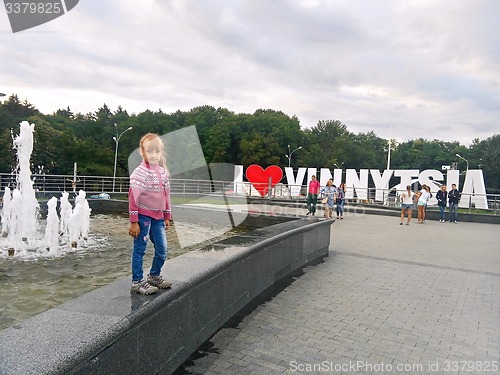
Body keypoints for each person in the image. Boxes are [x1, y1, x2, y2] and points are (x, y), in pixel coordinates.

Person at [129, 133, 173, 295]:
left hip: (158, 218)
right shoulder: (139, 173)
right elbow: (133, 198)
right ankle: (137, 281)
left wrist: (167, 216)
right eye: (150, 151)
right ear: (142, 152)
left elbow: (166, 196)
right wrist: (134, 221)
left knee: (163, 249)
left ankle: (154, 275)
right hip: (143, 217)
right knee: (140, 248)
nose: (154, 155)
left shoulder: (163, 173)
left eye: (157, 151)